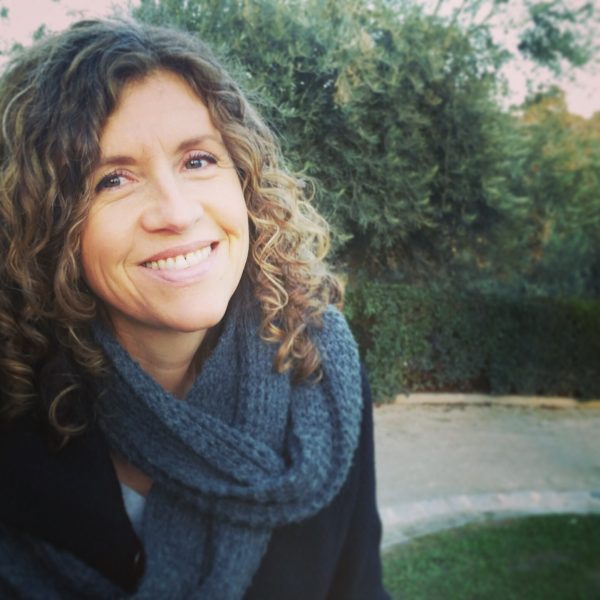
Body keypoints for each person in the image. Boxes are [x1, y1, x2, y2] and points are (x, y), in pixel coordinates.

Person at [0, 18, 389, 600]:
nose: (177, 213)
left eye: (198, 160)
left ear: (246, 179)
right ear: (45, 224)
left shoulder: (321, 369)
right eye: (112, 179)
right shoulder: (14, 405)